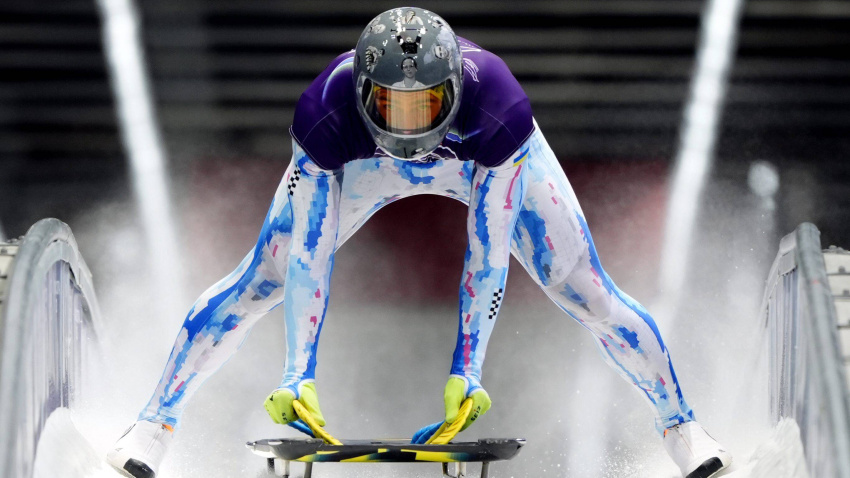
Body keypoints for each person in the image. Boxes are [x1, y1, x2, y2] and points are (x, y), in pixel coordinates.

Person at [107, 7, 732, 478]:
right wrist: (298, 375)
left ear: (455, 88)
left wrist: (468, 370)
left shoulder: (499, 106)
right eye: (392, 105)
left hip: (479, 160)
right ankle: (153, 426)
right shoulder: (324, 110)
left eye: (425, 104)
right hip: (364, 164)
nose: (409, 125)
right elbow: (308, 257)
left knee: (584, 289)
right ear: (362, 93)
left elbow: (486, 252)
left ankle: (683, 430)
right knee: (261, 280)